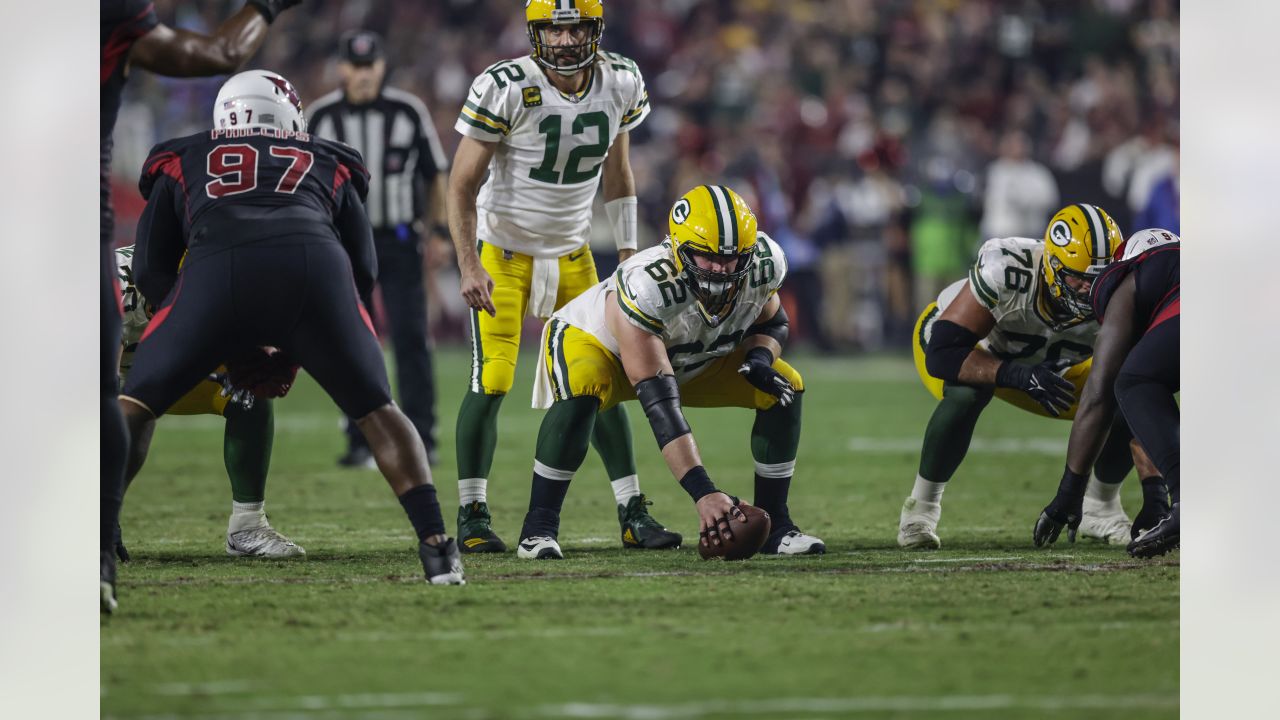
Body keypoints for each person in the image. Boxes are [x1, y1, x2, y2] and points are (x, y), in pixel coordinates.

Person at [119, 71, 465, 607]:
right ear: (289, 116)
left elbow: (150, 270)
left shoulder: (181, 154)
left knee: (135, 404)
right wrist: (302, 348)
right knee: (379, 410)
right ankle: (439, 549)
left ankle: (93, 542)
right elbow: (363, 270)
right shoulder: (330, 156)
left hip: (215, 272)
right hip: (314, 269)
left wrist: (224, 342)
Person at [448, 0, 678, 553]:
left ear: (594, 28)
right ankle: (472, 512)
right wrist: (468, 262)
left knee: (598, 382)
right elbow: (459, 185)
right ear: (536, 33)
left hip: (575, 254)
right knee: (492, 380)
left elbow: (619, 174)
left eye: (575, 26)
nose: (566, 39)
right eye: (555, 27)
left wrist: (627, 251)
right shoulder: (504, 85)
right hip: (503, 253)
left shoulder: (620, 80)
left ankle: (631, 509)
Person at [101, 0, 301, 614]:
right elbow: (161, 271)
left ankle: (243, 523)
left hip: (149, 324)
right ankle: (98, 527)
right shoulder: (208, 178)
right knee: (116, 410)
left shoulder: (194, 163)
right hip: (135, 318)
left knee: (240, 389)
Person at [516, 185, 826, 559]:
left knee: (784, 385)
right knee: (584, 387)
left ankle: (776, 526)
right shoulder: (648, 286)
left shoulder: (763, 263)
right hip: (598, 345)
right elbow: (661, 404)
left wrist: (759, 360)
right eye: (707, 256)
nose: (720, 269)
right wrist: (704, 493)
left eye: (731, 258)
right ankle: (539, 528)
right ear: (678, 250)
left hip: (688, 357)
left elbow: (773, 322)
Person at [900, 204, 1168, 549]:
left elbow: (1144, 392)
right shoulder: (1009, 267)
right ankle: (920, 510)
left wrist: (1155, 494)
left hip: (1051, 366)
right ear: (1052, 265)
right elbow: (943, 354)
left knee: (1127, 392)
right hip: (971, 347)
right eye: (1079, 278)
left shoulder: (1123, 292)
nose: (1090, 290)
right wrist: (1016, 375)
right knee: (967, 393)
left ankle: (1100, 507)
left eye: (1100, 279)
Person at [308, 31, 447, 468]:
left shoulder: (408, 111)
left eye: (371, 66)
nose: (364, 74)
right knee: (352, 341)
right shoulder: (319, 117)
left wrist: (440, 230)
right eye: (356, 65)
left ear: (381, 67)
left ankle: (422, 436)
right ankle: (360, 438)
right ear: (343, 68)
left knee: (411, 338)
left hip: (399, 239)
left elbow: (435, 173)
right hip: (344, 244)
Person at [114, 245, 302, 560]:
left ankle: (247, 525)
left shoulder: (218, 277)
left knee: (247, 387)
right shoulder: (118, 284)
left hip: (153, 361)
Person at [1033, 229, 1180, 557]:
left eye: (1093, 279)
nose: (1089, 287)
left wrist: (1069, 494)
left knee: (1131, 382)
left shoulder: (1126, 279)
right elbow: (1151, 414)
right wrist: (1155, 496)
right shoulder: (1170, 272)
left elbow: (1099, 396)